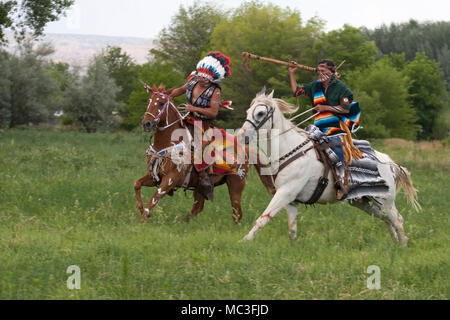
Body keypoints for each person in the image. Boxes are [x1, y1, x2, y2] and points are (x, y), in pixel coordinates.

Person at [289, 59, 361, 200]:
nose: (320, 73)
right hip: (317, 126)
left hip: (335, 126)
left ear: (332, 71)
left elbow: (345, 109)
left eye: (323, 70)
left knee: (336, 145)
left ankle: (342, 182)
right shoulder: (315, 86)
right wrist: (292, 73)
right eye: (319, 70)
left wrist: (326, 108)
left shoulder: (342, 88)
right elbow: (296, 92)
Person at [169, 51, 232, 201]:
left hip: (204, 124)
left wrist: (194, 108)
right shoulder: (192, 81)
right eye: (201, 76)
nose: (202, 80)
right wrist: (166, 95)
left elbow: (213, 112)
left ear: (212, 78)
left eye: (206, 78)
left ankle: (204, 178)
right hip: (188, 119)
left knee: (200, 148)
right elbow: (179, 90)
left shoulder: (215, 91)